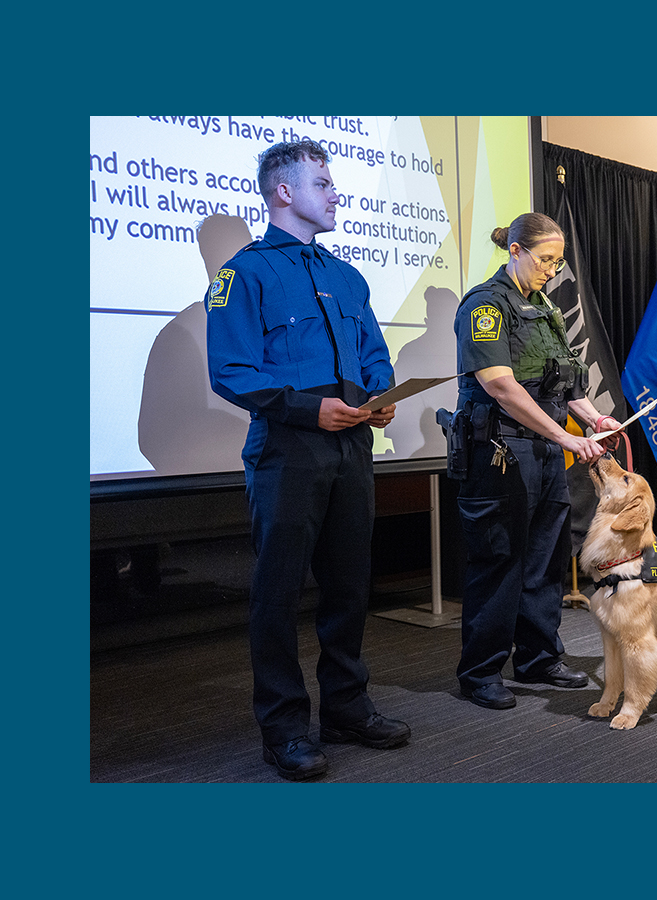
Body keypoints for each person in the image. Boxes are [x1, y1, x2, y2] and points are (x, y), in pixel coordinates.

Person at [206, 139, 409, 780]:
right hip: (288, 446)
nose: (335, 193)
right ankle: (285, 727)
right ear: (284, 192)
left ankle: (346, 708)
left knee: (348, 584)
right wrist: (307, 409)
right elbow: (231, 371)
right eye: (323, 183)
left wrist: (380, 396)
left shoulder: (347, 276)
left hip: (352, 443)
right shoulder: (242, 274)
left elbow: (373, 353)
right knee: (279, 592)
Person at [446, 212, 622, 710]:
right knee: (499, 560)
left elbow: (562, 386)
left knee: (546, 559)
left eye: (557, 262)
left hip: (543, 451)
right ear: (516, 251)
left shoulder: (544, 307)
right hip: (500, 451)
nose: (552, 270)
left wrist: (594, 419)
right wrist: (566, 438)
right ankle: (481, 672)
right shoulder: (485, 305)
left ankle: (538, 657)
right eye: (545, 259)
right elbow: (501, 386)